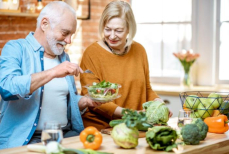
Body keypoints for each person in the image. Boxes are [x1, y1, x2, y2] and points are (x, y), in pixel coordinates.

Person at [0, 1, 100, 149]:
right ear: (45, 24)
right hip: (28, 139)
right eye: (65, 33)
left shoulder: (63, 58)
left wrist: (86, 101)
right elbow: (6, 88)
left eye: (71, 35)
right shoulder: (15, 49)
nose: (69, 41)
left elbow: (63, 102)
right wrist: (53, 72)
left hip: (66, 134)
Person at [80, 0, 173, 131]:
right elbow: (92, 98)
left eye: (118, 30)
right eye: (107, 29)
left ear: (129, 29)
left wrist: (159, 103)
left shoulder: (139, 50)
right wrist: (130, 114)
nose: (112, 36)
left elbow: (146, 89)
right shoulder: (91, 53)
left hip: (134, 126)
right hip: (101, 129)